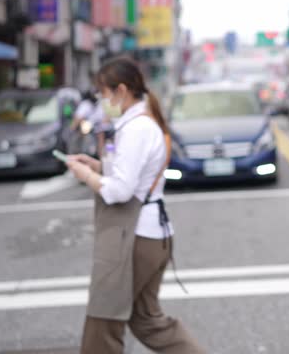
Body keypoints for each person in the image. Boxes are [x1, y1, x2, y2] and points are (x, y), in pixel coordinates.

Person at [65, 57, 204, 354]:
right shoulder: (139, 124)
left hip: (135, 238)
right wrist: (98, 166)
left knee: (102, 325)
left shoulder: (137, 128)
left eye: (104, 94)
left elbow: (120, 191)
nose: (103, 101)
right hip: (150, 235)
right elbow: (130, 175)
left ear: (122, 91)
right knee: (147, 320)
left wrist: (85, 174)